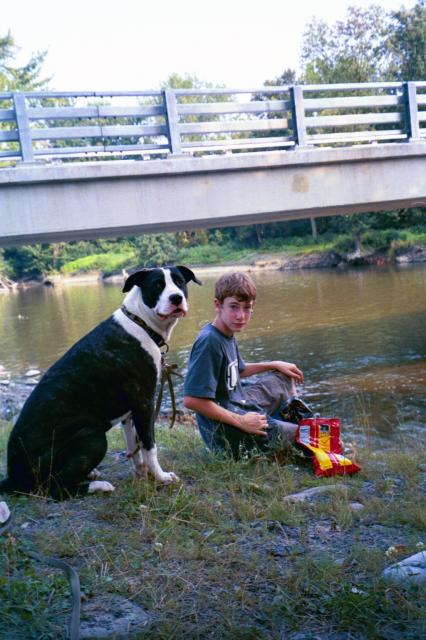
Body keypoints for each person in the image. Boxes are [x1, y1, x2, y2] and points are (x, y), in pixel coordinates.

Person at [183, 272, 312, 459]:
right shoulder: (209, 341)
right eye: (234, 307)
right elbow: (192, 400)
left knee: (284, 376)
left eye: (247, 308)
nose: (241, 316)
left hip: (238, 403)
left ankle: (284, 420)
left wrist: (273, 364)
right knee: (304, 435)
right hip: (225, 433)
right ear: (217, 305)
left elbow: (238, 371)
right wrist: (242, 421)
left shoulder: (226, 332)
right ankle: (281, 428)